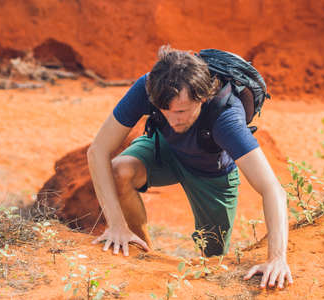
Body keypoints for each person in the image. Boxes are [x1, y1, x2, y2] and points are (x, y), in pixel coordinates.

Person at [87, 46, 293, 289]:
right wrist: (116, 225)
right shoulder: (150, 87)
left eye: (182, 111)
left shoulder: (226, 118)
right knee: (119, 170)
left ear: (202, 97)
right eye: (165, 111)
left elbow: (272, 188)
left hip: (212, 172)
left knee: (213, 258)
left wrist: (277, 258)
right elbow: (97, 150)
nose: (173, 120)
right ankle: (142, 255)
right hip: (165, 150)